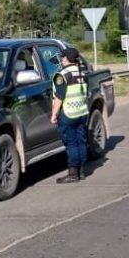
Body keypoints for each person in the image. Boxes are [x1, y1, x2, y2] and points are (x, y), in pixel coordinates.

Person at [50, 47, 89, 183]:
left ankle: (73, 174)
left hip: (68, 114)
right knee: (81, 141)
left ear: (66, 58)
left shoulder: (62, 75)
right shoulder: (82, 72)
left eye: (62, 57)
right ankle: (82, 171)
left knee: (71, 143)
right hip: (82, 112)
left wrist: (54, 114)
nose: (61, 59)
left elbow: (59, 97)